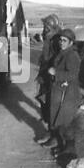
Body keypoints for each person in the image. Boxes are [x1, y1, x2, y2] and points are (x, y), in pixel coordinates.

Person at [45, 28, 81, 157]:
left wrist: (56, 73)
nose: (61, 42)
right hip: (61, 92)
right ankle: (63, 146)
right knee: (60, 122)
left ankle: (70, 150)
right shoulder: (63, 52)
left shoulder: (72, 55)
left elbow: (72, 75)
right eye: (61, 40)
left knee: (65, 123)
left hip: (69, 94)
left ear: (71, 42)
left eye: (65, 40)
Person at [35, 14, 61, 144]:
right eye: (44, 26)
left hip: (53, 79)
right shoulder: (48, 39)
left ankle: (56, 136)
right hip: (45, 76)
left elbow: (59, 59)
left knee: (53, 107)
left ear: (52, 27)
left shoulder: (57, 41)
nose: (44, 29)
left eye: (47, 26)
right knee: (45, 105)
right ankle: (50, 132)